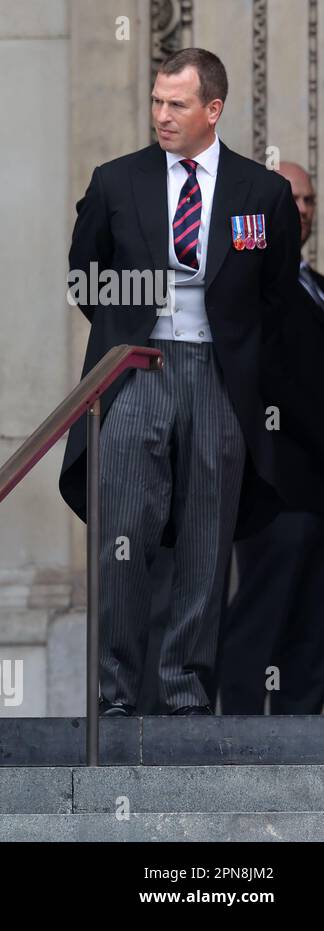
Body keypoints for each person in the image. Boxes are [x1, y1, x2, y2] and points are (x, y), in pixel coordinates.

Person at [58, 48, 300, 717]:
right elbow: (85, 275)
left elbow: (278, 302)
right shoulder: (116, 180)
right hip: (138, 368)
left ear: (212, 109)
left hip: (219, 377)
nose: (161, 116)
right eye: (156, 102)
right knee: (123, 533)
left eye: (177, 104)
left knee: (205, 538)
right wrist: (129, 326)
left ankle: (186, 694)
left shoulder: (264, 193)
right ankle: (114, 692)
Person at [217, 160, 324, 715]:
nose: (301, 211)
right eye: (291, 199)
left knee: (311, 626)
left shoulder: (316, 288)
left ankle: (303, 744)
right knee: (262, 616)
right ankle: (233, 741)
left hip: (315, 492)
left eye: (308, 201)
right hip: (274, 487)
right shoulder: (251, 289)